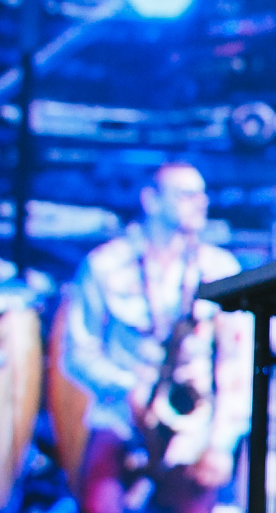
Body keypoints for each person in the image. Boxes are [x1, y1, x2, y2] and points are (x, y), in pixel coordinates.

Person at [62, 161, 251, 513]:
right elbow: (77, 354)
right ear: (151, 200)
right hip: (122, 421)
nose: (200, 203)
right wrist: (128, 388)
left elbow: (237, 366)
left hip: (193, 434)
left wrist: (222, 443)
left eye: (202, 195)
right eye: (185, 195)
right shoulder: (105, 265)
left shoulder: (220, 270)